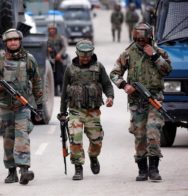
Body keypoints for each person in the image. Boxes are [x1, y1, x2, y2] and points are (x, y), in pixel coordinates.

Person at [110, 23, 172, 182]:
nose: (140, 42)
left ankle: (154, 169)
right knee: (139, 135)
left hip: (154, 99)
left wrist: (155, 56)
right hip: (137, 101)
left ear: (149, 37)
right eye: (137, 39)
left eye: (143, 39)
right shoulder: (128, 54)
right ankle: (142, 169)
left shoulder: (159, 52)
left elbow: (167, 70)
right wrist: (125, 85)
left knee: (153, 131)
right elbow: (115, 74)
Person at [0, 28, 43, 185]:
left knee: (22, 136)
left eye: (16, 39)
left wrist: (40, 104)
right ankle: (11, 171)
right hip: (4, 106)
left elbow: (37, 81)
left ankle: (24, 170)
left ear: (20, 41)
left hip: (22, 106)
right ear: (5, 43)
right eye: (10, 40)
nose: (13, 42)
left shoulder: (29, 59)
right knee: (8, 138)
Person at [58, 40, 114, 180]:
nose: (85, 58)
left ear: (91, 54)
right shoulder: (70, 69)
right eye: (82, 56)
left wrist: (110, 97)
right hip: (75, 111)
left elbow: (107, 84)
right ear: (77, 54)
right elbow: (64, 92)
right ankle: (78, 168)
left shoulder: (98, 67)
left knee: (96, 141)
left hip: (93, 111)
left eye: (87, 56)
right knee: (75, 139)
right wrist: (63, 112)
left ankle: (93, 157)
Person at [47, 23, 68, 96]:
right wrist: (48, 50)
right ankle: (54, 92)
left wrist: (59, 54)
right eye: (50, 29)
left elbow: (64, 47)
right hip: (51, 60)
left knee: (61, 76)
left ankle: (62, 91)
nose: (52, 31)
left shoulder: (60, 38)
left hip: (59, 60)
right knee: (53, 76)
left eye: (53, 29)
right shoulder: (47, 39)